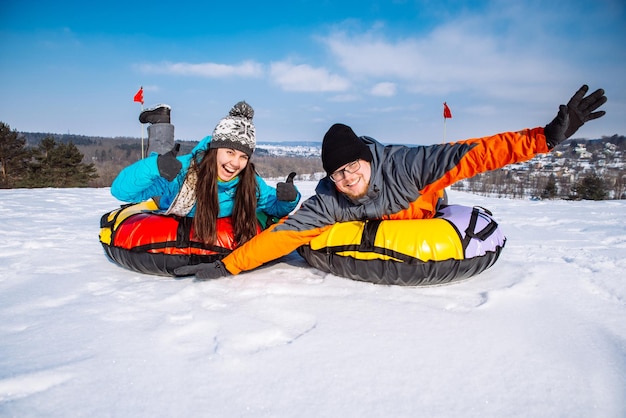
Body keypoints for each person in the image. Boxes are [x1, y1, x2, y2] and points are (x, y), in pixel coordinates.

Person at [173, 84, 607, 280]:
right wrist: (228, 266)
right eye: (338, 173)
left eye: (353, 166)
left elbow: (479, 152)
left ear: (367, 157)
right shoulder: (330, 200)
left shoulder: (410, 165)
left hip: (422, 217)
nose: (348, 177)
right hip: (376, 234)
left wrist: (546, 137)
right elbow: (285, 234)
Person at [111, 101, 301, 247]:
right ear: (215, 150)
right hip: (170, 199)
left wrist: (289, 199)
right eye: (230, 152)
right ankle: (160, 121)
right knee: (160, 153)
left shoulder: (250, 183)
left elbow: (275, 208)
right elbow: (122, 192)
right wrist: (154, 166)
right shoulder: (185, 172)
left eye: (243, 156)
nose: (235, 163)